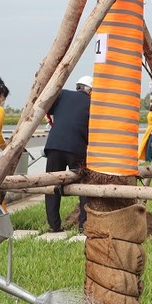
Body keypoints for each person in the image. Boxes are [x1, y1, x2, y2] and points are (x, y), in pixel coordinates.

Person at [43, 76, 92, 233]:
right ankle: (83, 226)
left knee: (51, 185)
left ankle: (53, 226)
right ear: (90, 90)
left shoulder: (62, 94)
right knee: (82, 185)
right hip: (76, 147)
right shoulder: (92, 102)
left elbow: (46, 109)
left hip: (54, 145)